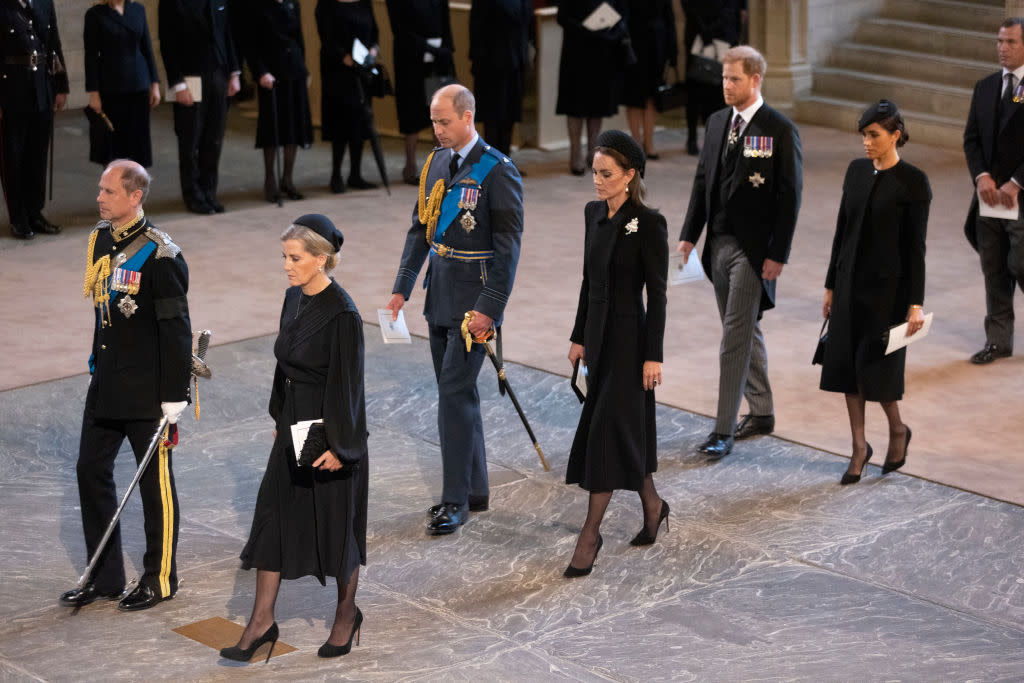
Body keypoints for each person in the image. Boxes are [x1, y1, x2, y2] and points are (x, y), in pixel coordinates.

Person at [221, 214, 368, 662]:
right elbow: (284, 368)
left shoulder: (343, 314)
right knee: (274, 521)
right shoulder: (292, 299)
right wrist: (281, 417)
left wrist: (340, 449)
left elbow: (349, 385)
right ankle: (261, 622)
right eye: (284, 257)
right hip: (293, 425)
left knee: (335, 526)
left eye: (295, 258)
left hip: (326, 430)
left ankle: (346, 615)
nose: (287, 265)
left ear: (321, 260)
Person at [384, 84, 523, 536]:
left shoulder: (498, 172)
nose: (438, 130)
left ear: (467, 118)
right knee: (459, 395)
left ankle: (454, 500)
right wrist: (402, 288)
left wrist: (490, 310)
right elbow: (419, 228)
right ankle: (476, 489)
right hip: (439, 296)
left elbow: (508, 250)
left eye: (444, 121)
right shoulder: (436, 163)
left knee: (452, 394)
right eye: (434, 121)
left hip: (474, 306)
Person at [59, 160, 192, 611]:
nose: (99, 198)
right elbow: (104, 315)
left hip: (149, 392)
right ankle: (105, 575)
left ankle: (159, 579)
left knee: (156, 487)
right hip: (108, 383)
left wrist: (176, 395)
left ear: (135, 196)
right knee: (89, 470)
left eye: (109, 191)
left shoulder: (162, 255)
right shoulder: (100, 238)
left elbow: (176, 331)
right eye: (100, 189)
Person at [677, 45, 802, 459]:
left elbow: (790, 196)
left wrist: (777, 254)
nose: (726, 85)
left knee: (733, 338)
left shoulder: (778, 129)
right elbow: (701, 182)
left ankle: (723, 430)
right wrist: (689, 235)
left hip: (754, 251)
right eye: (724, 78)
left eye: (734, 79)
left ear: (755, 80)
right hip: (718, 246)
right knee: (745, 328)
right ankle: (762, 411)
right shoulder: (716, 123)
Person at [565, 130, 668, 578]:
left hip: (631, 345)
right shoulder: (592, 215)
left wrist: (654, 355)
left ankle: (590, 535)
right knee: (623, 433)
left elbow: (659, 297)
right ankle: (654, 505)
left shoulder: (648, 223)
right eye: (595, 173)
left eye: (607, 174)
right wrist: (578, 336)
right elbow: (588, 281)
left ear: (630, 175)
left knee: (607, 434)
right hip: (598, 342)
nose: (598, 181)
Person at [821, 101, 929, 484]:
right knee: (849, 369)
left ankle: (898, 429)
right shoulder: (855, 172)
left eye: (874, 135)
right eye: (863, 135)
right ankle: (859, 448)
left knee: (878, 372)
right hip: (849, 285)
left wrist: (915, 304)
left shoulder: (914, 182)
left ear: (895, 135)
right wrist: (831, 285)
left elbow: (916, 249)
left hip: (888, 294)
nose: (866, 142)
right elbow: (842, 231)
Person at [963, 17, 1024, 365]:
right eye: (1000, 41)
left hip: (1020, 195)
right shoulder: (985, 87)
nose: (1003, 48)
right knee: (994, 266)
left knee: (1021, 261)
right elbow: (971, 138)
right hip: (989, 198)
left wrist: (1016, 182)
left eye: (1011, 42)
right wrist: (982, 176)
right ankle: (998, 340)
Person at [158, 0, 242, 215]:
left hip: (219, 74)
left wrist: (234, 73)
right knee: (190, 139)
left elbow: (227, 33)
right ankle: (193, 195)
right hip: (190, 77)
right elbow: (168, 42)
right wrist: (178, 83)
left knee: (214, 139)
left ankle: (209, 192)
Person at [0, 0, 68, 239]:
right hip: (11, 90)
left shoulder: (42, 2)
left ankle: (35, 213)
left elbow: (54, 43)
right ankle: (18, 217)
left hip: (42, 88)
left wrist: (61, 86)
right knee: (13, 157)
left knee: (37, 155)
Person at [245, 0, 314, 203]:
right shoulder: (257, 6)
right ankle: (270, 180)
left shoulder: (293, 4)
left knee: (293, 127)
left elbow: (298, 37)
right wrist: (260, 72)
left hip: (294, 70)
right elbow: (251, 44)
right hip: (271, 75)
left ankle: (288, 179)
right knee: (272, 127)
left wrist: (303, 67)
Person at [83, 0, 162, 168]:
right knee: (114, 148)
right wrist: (93, 92)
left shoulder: (138, 10)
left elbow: (147, 48)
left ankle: (135, 190)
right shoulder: (95, 14)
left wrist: (154, 83)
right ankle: (114, 189)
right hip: (110, 88)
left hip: (139, 86)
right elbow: (90, 57)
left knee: (137, 144)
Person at [556, 0, 630, 175]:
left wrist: (615, 30)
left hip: (603, 50)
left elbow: (623, 13)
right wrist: (585, 29)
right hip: (577, 49)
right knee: (575, 102)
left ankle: (593, 152)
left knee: (598, 103)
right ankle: (575, 154)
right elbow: (562, 17)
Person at [385, 0, 454, 185]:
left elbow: (445, 22)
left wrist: (447, 50)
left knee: (440, 114)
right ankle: (410, 167)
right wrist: (428, 47)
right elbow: (400, 31)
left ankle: (440, 168)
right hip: (410, 62)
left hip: (437, 61)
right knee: (412, 114)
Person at [316, 0, 380, 194]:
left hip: (361, 71)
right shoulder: (327, 5)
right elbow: (326, 37)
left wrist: (372, 51)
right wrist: (344, 57)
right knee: (340, 123)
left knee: (360, 122)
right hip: (338, 72)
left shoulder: (364, 3)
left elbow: (375, 33)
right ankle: (336, 175)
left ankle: (355, 174)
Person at [469, 0, 532, 159]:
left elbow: (526, 25)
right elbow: (477, 28)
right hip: (492, 64)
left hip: (516, 61)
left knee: (510, 115)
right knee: (493, 117)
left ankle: (505, 162)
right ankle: (492, 165)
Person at [680, 0, 743, 156]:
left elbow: (733, 8)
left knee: (720, 93)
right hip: (697, 38)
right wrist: (704, 30)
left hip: (722, 38)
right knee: (694, 91)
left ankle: (716, 139)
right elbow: (688, 6)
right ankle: (692, 138)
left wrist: (710, 30)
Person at [622, 0, 676, 159]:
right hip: (632, 45)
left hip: (657, 45)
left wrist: (673, 51)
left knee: (651, 97)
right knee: (633, 97)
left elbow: (669, 18)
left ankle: (649, 143)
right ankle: (635, 143)